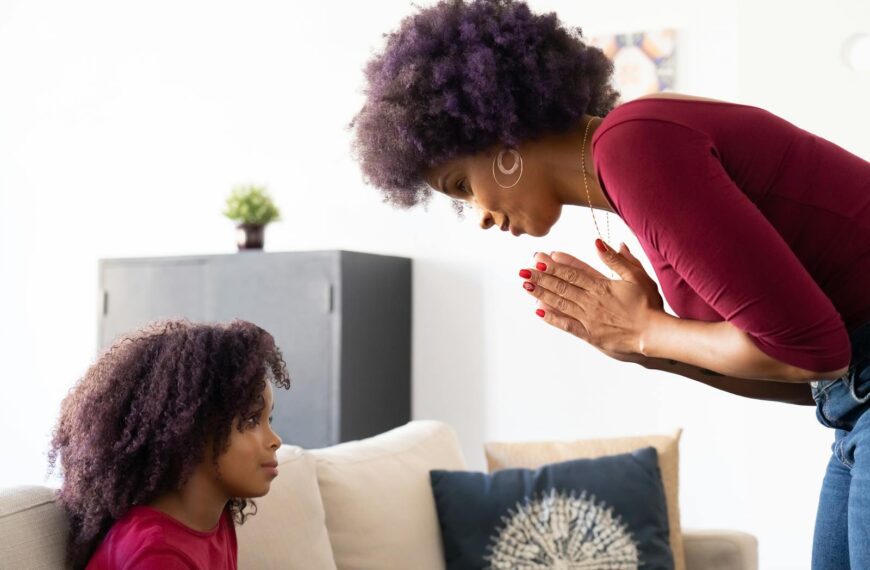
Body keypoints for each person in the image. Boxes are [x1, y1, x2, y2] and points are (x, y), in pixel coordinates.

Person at [348, 0, 870, 566]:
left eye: (461, 185)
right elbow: (811, 376)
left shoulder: (635, 145)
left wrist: (651, 330)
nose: (478, 215)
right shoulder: (634, 164)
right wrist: (648, 348)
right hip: (850, 412)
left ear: (500, 140)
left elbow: (811, 352)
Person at [48, 319, 291, 569]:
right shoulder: (155, 553)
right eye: (251, 420)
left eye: (267, 419)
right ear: (191, 430)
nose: (275, 441)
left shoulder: (213, 521)